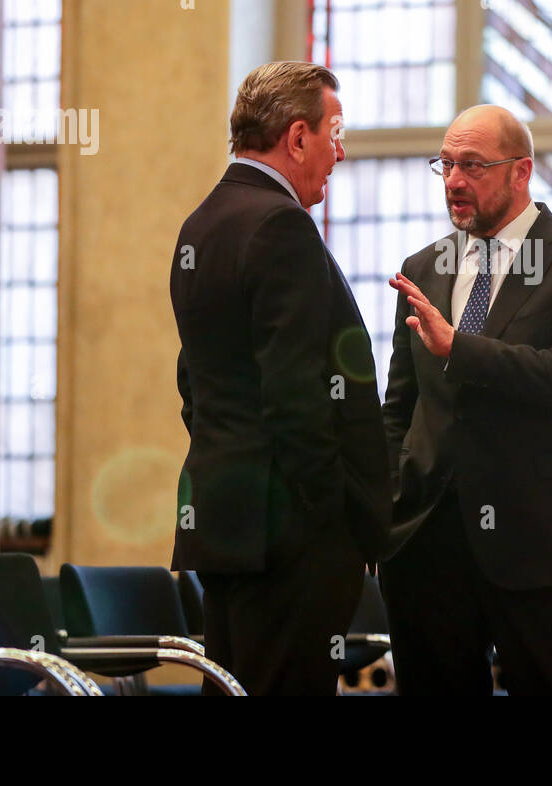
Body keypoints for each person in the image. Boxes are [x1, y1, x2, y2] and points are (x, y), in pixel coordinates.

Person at [380, 104, 552, 695]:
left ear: (522, 172)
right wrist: (388, 504)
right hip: (429, 548)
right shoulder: (424, 267)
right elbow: (400, 405)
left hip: (547, 548)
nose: (455, 181)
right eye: (444, 165)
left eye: (473, 165)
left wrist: (458, 347)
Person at [169, 61, 390, 695]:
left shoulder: (202, 225)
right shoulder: (280, 225)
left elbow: (194, 380)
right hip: (288, 534)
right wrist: (330, 516)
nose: (340, 153)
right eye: (334, 134)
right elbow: (295, 393)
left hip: (225, 519)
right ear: (297, 138)